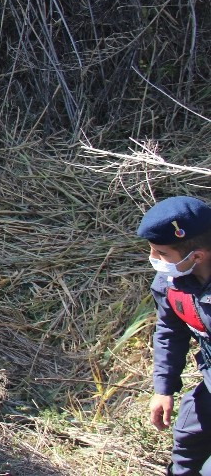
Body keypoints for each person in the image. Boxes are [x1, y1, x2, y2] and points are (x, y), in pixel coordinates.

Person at [138, 196, 211, 476]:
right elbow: (169, 331)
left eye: (162, 254)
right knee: (186, 443)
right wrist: (163, 388)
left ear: (197, 256)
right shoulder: (172, 282)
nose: (154, 259)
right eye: (152, 250)